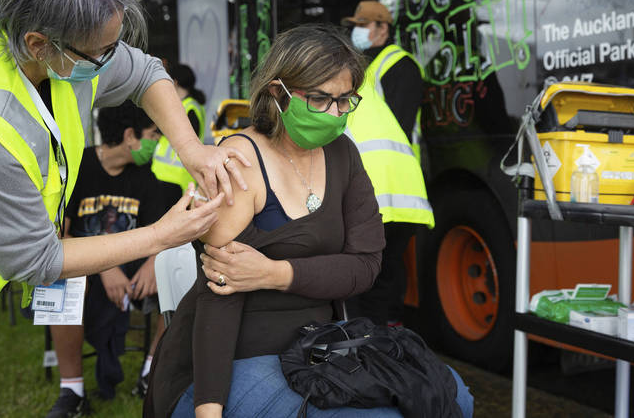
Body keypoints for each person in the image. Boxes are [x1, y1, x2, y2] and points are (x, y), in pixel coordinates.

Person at [0, 0, 250, 418]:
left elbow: (145, 73)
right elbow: (38, 259)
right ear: (37, 42)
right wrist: (161, 237)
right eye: (100, 53)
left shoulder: (59, 52)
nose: (110, 61)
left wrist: (192, 148)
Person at [144, 24, 474, 418]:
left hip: (319, 347)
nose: (335, 114)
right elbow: (220, 297)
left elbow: (365, 266)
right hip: (233, 360)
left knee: (453, 398)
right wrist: (209, 409)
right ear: (276, 91)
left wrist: (272, 273)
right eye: (320, 99)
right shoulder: (239, 159)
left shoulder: (343, 155)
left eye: (345, 100)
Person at [45, 101, 173, 417]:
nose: (157, 142)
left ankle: (150, 375)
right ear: (130, 136)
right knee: (60, 279)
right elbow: (59, 236)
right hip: (87, 266)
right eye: (153, 134)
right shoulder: (77, 167)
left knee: (176, 270)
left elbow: (162, 232)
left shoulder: (145, 176)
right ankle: (72, 392)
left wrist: (154, 261)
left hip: (133, 271)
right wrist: (105, 266)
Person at [340, 0, 435, 326]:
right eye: (356, 25)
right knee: (380, 270)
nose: (357, 31)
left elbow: (399, 127)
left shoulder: (399, 65)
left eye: (364, 25)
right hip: (384, 184)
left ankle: (381, 345)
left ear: (383, 28)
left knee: (380, 272)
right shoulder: (365, 67)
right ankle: (382, 342)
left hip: (390, 181)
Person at [152, 63, 208, 191]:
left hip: (177, 181)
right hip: (167, 178)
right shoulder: (184, 105)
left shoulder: (189, 107)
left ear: (175, 82)